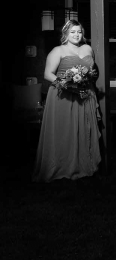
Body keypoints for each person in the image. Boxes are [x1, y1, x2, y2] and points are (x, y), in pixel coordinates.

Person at [33, 20, 102, 182]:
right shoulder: (58, 50)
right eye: (72, 32)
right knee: (65, 131)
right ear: (66, 34)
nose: (76, 35)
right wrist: (66, 84)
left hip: (85, 94)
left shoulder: (87, 48)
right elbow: (48, 74)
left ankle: (83, 164)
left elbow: (93, 72)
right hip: (63, 95)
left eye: (79, 32)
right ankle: (62, 166)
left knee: (84, 129)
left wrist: (87, 80)